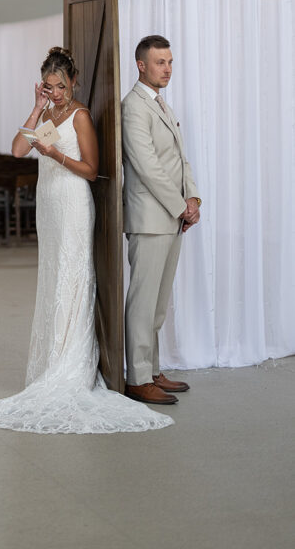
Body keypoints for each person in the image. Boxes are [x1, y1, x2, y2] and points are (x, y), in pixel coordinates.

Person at [0, 46, 172, 433]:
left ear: (72, 82)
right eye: (48, 86)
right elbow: (18, 149)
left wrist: (55, 154)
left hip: (73, 206)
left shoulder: (80, 116)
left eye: (58, 86)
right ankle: (51, 360)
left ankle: (71, 363)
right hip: (49, 209)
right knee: (54, 280)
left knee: (73, 279)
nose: (54, 91)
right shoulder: (50, 115)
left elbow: (92, 171)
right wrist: (37, 107)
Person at [122, 35, 201, 407]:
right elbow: (147, 166)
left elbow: (180, 159)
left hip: (170, 215)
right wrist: (179, 206)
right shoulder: (133, 107)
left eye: (170, 62)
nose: (167, 69)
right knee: (142, 300)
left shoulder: (161, 105)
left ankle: (151, 370)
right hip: (150, 218)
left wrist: (194, 197)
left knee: (157, 302)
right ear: (141, 65)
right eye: (159, 62)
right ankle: (136, 379)